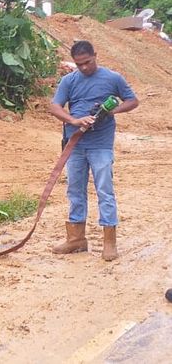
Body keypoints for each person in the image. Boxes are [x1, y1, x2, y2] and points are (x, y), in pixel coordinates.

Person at [49, 40, 138, 261]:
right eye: (79, 64)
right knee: (75, 190)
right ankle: (76, 239)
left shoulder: (112, 78)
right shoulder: (69, 81)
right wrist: (75, 120)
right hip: (75, 144)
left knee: (104, 191)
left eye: (87, 62)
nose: (84, 68)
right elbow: (54, 106)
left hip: (101, 145)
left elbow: (133, 101)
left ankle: (109, 242)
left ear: (95, 56)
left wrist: (111, 111)